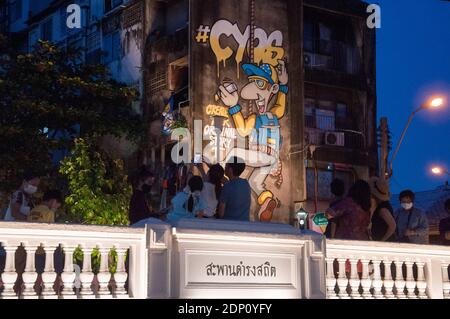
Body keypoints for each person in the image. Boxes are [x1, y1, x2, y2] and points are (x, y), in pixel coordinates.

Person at [218, 157, 251, 221]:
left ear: (230, 169)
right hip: (244, 224)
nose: (224, 168)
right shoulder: (246, 183)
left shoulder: (227, 187)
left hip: (229, 225)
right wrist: (214, 168)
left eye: (226, 165)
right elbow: (231, 184)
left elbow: (221, 213)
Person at [369, 177, 396, 242]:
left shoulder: (382, 209)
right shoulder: (380, 205)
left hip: (385, 242)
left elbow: (393, 226)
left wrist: (382, 241)